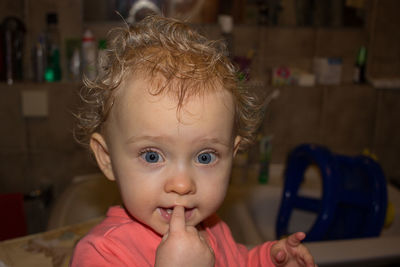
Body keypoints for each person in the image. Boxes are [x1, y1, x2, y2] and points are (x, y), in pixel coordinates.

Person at [71, 15, 316, 267]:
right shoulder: (102, 254)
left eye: (205, 157)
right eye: (152, 156)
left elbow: (236, 262)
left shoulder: (213, 227)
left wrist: (268, 261)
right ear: (107, 158)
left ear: (232, 155)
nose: (182, 184)